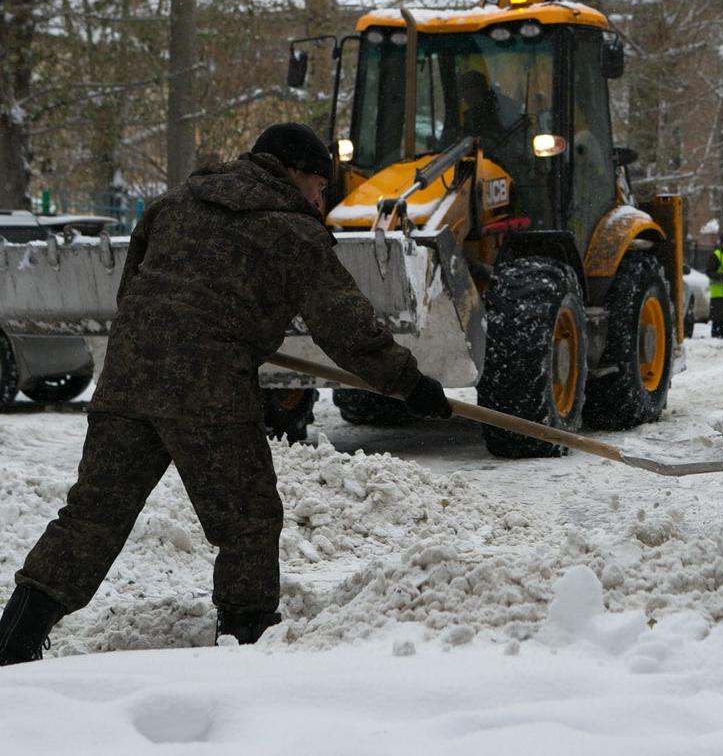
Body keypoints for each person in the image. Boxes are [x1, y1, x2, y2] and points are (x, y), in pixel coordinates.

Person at [0, 122, 451, 666]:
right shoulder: (292, 229)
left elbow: (135, 291)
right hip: (207, 387)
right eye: (320, 186)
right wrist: (409, 384)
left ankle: (13, 642)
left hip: (128, 375)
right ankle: (244, 643)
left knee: (92, 514)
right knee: (247, 520)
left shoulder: (175, 203)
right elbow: (346, 326)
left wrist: (189, 330)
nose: (321, 199)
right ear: (295, 172)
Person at [442, 69, 524, 159]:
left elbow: (509, 139)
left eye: (467, 89)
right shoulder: (473, 114)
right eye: (463, 91)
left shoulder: (499, 109)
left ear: (481, 88)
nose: (464, 96)